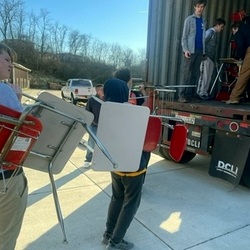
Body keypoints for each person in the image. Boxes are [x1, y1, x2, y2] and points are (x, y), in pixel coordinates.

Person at [101, 78, 149, 250]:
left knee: (116, 198)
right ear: (124, 93)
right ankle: (116, 242)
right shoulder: (132, 111)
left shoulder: (104, 110)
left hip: (115, 165)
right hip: (134, 166)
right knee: (131, 203)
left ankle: (108, 234)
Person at [0, 43, 28, 250]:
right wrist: (17, 99)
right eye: (7, 60)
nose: (11, 65)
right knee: (5, 239)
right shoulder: (4, 90)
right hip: (6, 178)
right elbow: (23, 132)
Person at [178, 0, 207, 103]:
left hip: (199, 51)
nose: (200, 9)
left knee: (195, 74)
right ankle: (182, 95)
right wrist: (185, 50)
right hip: (190, 51)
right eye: (198, 6)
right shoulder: (189, 20)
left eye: (202, 7)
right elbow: (184, 37)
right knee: (186, 74)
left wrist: (204, 51)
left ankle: (190, 95)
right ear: (195, 7)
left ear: (203, 8)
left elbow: (203, 37)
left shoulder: (203, 21)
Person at [197, 18, 226, 99]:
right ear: (217, 25)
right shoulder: (209, 32)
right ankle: (200, 92)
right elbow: (202, 42)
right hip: (206, 57)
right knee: (204, 76)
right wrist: (203, 54)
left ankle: (204, 93)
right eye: (222, 26)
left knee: (208, 76)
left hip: (211, 58)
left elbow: (214, 49)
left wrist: (215, 60)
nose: (222, 29)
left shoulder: (215, 34)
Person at [226, 22, 250, 104]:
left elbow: (241, 46)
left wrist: (241, 58)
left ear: (235, 28)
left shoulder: (239, 32)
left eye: (233, 31)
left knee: (244, 75)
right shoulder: (247, 28)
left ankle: (234, 97)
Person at [82, 84, 104, 168]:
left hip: (105, 126)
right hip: (94, 125)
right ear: (97, 91)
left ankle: (101, 160)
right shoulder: (92, 100)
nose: (102, 91)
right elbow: (87, 112)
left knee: (103, 144)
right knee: (91, 143)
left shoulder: (108, 100)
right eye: (100, 89)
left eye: (103, 89)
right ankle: (88, 160)